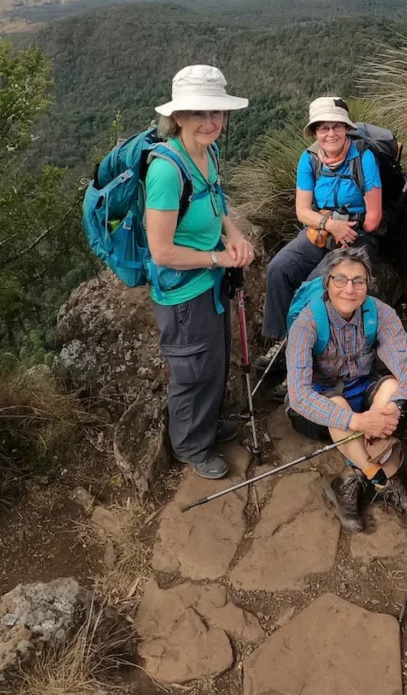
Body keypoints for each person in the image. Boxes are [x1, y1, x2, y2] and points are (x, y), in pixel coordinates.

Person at [145, 65, 256, 480]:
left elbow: (216, 202)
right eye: (198, 114)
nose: (210, 122)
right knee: (192, 368)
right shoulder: (166, 170)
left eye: (217, 113)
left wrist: (233, 235)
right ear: (178, 117)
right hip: (182, 291)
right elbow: (161, 252)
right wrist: (219, 260)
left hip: (207, 280)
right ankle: (190, 445)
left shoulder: (206, 152)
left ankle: (205, 425)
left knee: (213, 360)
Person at [285, 247, 407, 536]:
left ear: (368, 283)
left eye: (358, 281)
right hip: (318, 412)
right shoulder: (307, 323)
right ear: (327, 282)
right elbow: (300, 395)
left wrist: (395, 409)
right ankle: (383, 481)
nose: (349, 289)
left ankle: (348, 481)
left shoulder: (378, 313)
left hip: (363, 398)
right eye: (340, 280)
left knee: (391, 387)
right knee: (339, 404)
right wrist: (358, 422)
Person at [258, 96, 382, 382]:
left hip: (359, 235)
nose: (330, 134)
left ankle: (301, 357)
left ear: (346, 129)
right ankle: (281, 340)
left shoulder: (363, 158)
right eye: (323, 128)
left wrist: (338, 224)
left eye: (337, 127)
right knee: (279, 268)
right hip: (323, 232)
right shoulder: (309, 158)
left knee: (317, 284)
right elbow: (302, 211)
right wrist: (330, 223)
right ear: (314, 132)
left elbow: (373, 217)